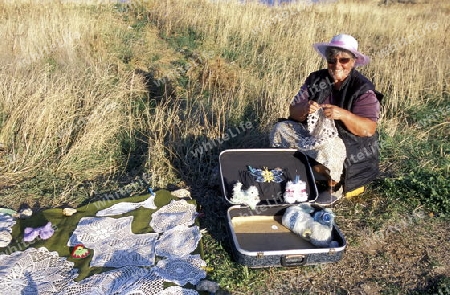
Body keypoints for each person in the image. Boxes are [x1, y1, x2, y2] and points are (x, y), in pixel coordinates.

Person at [270, 34, 383, 203]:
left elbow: (369, 129)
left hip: (350, 143)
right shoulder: (315, 79)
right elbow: (293, 110)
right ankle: (289, 170)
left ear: (354, 61)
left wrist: (343, 115)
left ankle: (333, 185)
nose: (337, 65)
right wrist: (305, 108)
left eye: (344, 60)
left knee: (329, 146)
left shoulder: (363, 89)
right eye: (332, 60)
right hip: (314, 135)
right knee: (280, 129)